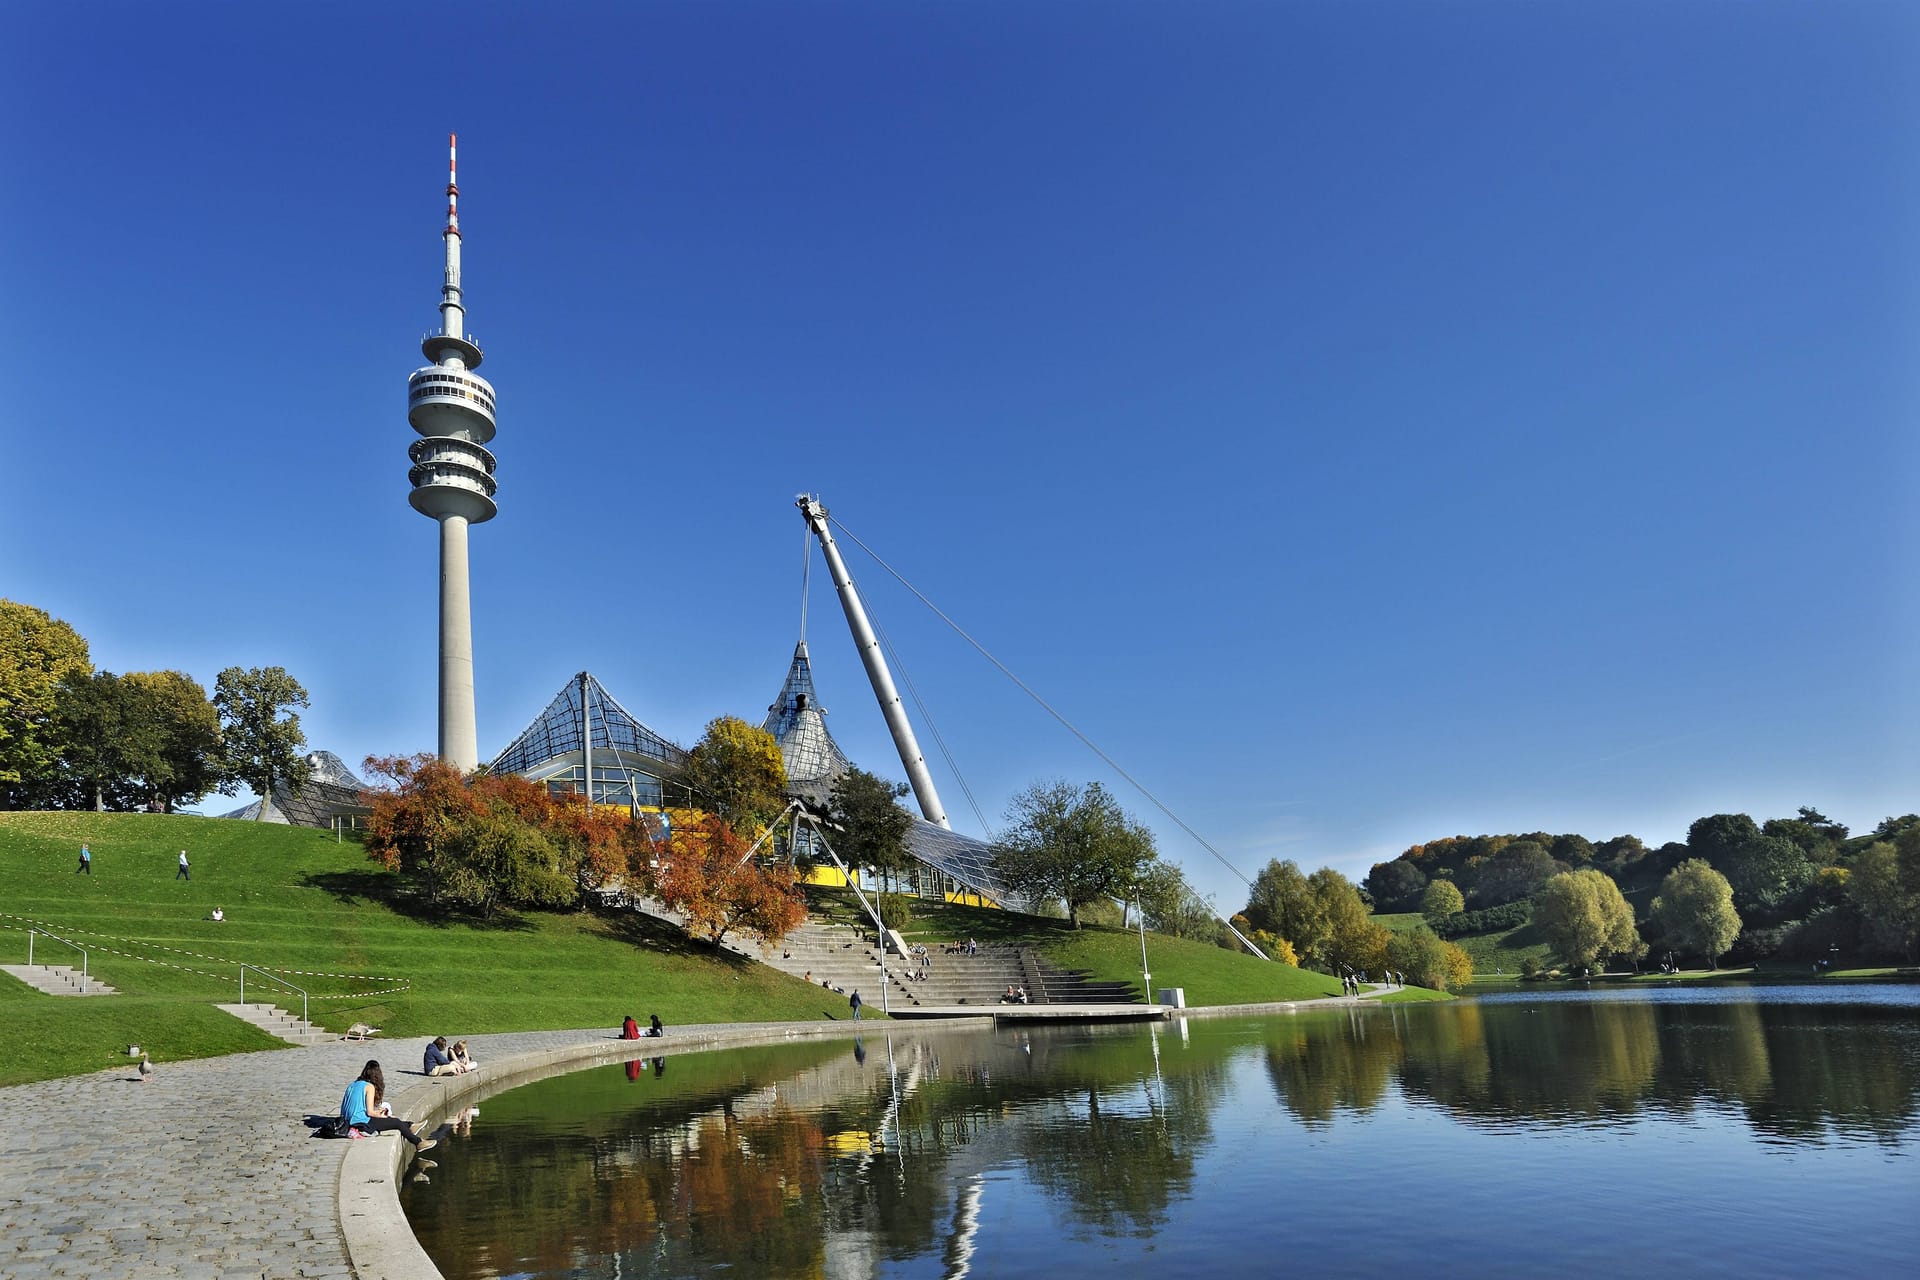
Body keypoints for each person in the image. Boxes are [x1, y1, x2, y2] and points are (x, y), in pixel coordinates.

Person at [341, 1061, 435, 1151]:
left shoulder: (353, 1084)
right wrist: (383, 1116)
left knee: (392, 1120)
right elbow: (370, 1112)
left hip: (347, 1121)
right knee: (396, 1122)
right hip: (361, 1123)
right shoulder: (369, 1086)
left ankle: (410, 1125)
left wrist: (380, 1114)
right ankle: (418, 1143)